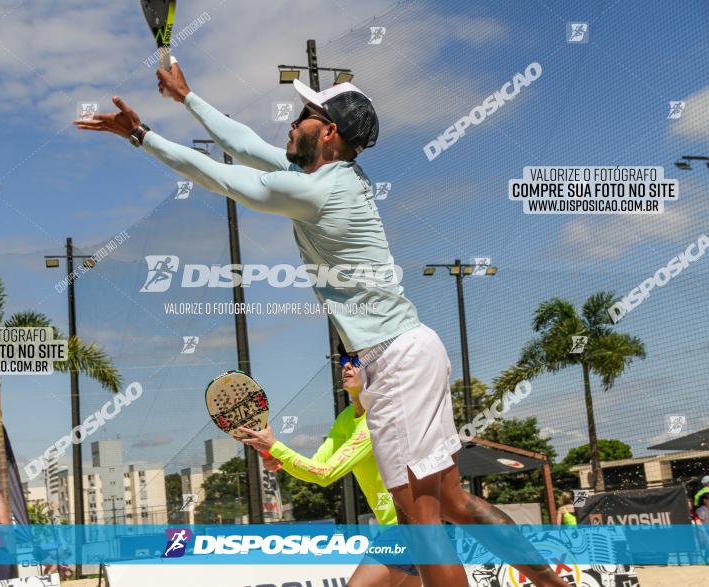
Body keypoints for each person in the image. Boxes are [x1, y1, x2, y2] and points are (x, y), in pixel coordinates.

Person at [74, 62, 568, 587]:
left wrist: (140, 135)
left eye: (302, 116)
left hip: (396, 358)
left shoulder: (320, 191)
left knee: (419, 524)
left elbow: (222, 176)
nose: (290, 124)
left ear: (328, 131)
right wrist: (188, 99)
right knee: (454, 501)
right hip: (409, 351)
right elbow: (242, 145)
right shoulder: (325, 178)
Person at [241, 342, 419, 586]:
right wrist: (277, 455)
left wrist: (275, 447)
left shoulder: (376, 419)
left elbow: (326, 474)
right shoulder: (346, 419)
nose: (347, 366)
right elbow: (317, 467)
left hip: (407, 529)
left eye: (356, 361)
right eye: (344, 361)